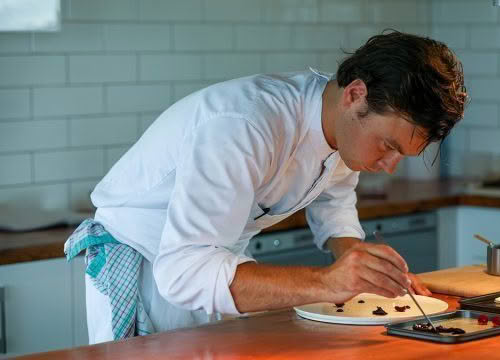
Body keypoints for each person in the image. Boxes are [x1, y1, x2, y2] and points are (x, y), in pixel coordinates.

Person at [64, 30, 467, 344]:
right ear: (355, 95)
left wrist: (358, 258)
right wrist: (330, 283)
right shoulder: (245, 126)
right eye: (388, 146)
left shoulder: (343, 129)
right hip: (147, 264)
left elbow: (334, 196)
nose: (390, 167)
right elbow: (182, 272)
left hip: (215, 262)